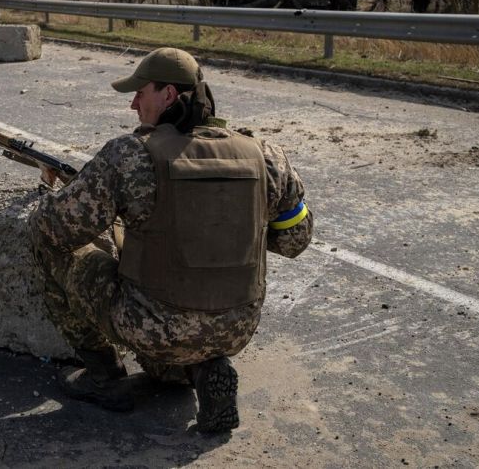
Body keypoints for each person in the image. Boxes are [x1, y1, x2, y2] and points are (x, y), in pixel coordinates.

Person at [27, 47, 313, 433]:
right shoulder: (265, 155)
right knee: (177, 326)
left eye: (140, 93)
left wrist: (57, 196)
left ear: (168, 96)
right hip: (236, 327)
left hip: (155, 324)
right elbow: (295, 240)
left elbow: (56, 229)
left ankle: (104, 376)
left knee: (54, 249)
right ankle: (202, 369)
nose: (133, 104)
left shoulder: (131, 154)